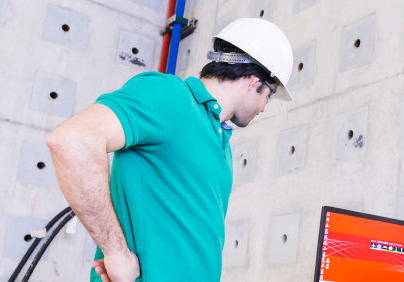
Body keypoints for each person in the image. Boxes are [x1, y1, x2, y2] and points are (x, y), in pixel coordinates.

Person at [46, 18, 295, 282]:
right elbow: (73, 140)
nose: (264, 107)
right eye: (268, 95)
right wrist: (117, 254)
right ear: (253, 81)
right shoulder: (169, 96)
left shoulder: (221, 143)